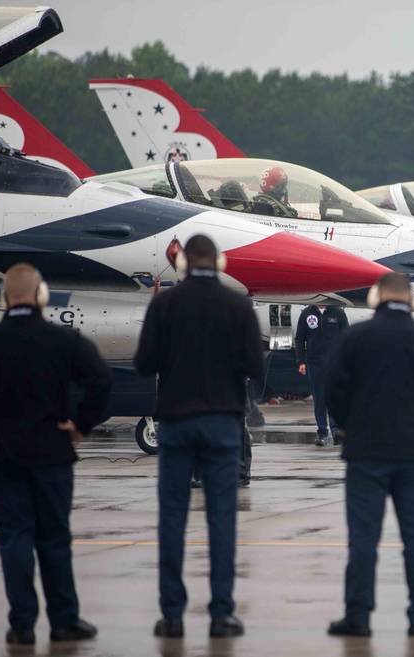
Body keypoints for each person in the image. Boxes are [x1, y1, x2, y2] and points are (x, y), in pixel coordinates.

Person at [134, 235, 264, 639]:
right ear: (220, 263)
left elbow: (143, 363)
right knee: (221, 519)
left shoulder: (165, 304)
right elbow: (255, 368)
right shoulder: (238, 305)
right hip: (222, 423)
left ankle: (172, 615)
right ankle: (221, 613)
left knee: (172, 518)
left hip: (175, 421)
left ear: (185, 263)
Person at [323, 273, 414, 637]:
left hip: (366, 450)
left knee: (363, 538)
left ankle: (358, 616)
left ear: (375, 297)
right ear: (410, 300)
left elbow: (332, 388)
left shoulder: (355, 338)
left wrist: (348, 423)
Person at [0, 264, 111, 646]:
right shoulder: (64, 340)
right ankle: (63, 621)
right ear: (41, 295)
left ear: (5, 298)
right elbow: (100, 383)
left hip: (2, 455)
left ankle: (22, 624)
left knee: (14, 538)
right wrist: (79, 425)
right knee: (55, 538)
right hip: (52, 454)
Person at [295, 304, 349, 446]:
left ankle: (336, 430)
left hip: (335, 363)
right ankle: (322, 432)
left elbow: (346, 337)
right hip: (314, 363)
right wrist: (301, 361)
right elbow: (300, 339)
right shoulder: (306, 313)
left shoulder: (338, 312)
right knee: (319, 399)